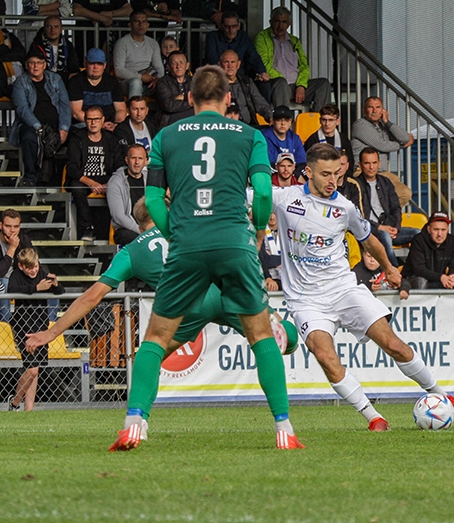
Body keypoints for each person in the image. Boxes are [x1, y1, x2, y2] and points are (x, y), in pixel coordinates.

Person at [111, 64, 300, 451]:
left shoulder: (165, 136)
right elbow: (263, 194)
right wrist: (259, 232)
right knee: (261, 334)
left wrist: (174, 233)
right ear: (229, 98)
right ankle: (284, 429)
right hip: (235, 241)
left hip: (187, 245)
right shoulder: (250, 136)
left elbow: (148, 202)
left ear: (190, 98)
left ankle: (134, 423)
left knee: (155, 340)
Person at [24, 198, 299, 427]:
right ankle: (281, 335)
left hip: (185, 307)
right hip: (221, 292)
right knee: (275, 338)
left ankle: (138, 419)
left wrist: (52, 331)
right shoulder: (188, 228)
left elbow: (91, 297)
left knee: (151, 355)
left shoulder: (131, 252)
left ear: (137, 222)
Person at [270, 143, 454, 431]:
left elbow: (370, 239)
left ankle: (442, 395)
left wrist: (391, 268)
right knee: (325, 356)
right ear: (308, 172)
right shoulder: (283, 198)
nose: (332, 181)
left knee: (394, 345)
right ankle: (373, 417)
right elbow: (243, 195)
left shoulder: (344, 207)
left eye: (337, 174)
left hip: (344, 289)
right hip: (306, 301)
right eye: (325, 174)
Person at [7, 248, 64, 411]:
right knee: (31, 370)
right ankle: (15, 403)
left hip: (40, 327)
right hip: (23, 327)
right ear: (21, 266)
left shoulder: (41, 272)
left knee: (35, 369)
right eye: (29, 268)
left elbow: (61, 292)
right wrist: (35, 288)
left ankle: (28, 409)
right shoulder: (16, 276)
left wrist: (56, 284)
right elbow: (12, 291)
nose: (33, 270)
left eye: (35, 266)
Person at [11, 49, 71, 188]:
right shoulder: (20, 83)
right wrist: (38, 127)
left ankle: (64, 180)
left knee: (78, 136)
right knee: (28, 138)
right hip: (32, 125)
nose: (35, 66)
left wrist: (64, 128)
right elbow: (23, 110)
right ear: (27, 65)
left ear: (45, 65)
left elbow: (64, 105)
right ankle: (31, 177)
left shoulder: (55, 79)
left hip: (56, 124)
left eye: (39, 63)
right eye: (32, 63)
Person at [254, 6, 332, 110]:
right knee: (281, 83)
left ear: (289, 23)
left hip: (295, 86)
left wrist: (301, 85)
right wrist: (284, 81)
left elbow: (304, 66)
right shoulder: (262, 37)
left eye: (284, 22)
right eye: (277, 21)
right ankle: (283, 121)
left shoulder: (294, 41)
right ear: (270, 22)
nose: (280, 25)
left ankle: (321, 123)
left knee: (323, 84)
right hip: (276, 84)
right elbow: (264, 65)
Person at [67, 105, 121, 241]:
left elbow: (119, 166)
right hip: (84, 180)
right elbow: (72, 168)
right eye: (89, 119)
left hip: (107, 179)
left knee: (121, 187)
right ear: (85, 120)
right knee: (76, 188)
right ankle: (87, 228)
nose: (93, 123)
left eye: (96, 119)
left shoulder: (111, 140)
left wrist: (109, 184)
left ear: (103, 120)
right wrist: (92, 183)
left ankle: (119, 227)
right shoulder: (77, 139)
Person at [357, 147, 417, 267]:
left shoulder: (386, 182)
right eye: (367, 163)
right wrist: (380, 227)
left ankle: (411, 269)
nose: (371, 167)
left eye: (374, 163)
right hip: (369, 232)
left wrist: (396, 228)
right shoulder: (355, 185)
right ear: (360, 165)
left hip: (389, 229)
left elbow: (396, 208)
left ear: (379, 164)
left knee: (418, 233)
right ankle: (394, 271)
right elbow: (358, 216)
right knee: (385, 236)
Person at [399, 211, 454, 295]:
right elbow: (419, 269)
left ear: (448, 229)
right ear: (429, 229)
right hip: (414, 279)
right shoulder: (418, 240)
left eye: (443, 230)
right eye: (436, 229)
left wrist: (452, 277)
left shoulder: (452, 241)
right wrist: (441, 277)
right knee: (421, 281)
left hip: (439, 280)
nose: (440, 234)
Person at [204, 10, 268, 85]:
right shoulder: (212, 37)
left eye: (234, 26)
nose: (231, 30)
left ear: (239, 26)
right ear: (221, 26)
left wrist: (262, 72)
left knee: (265, 85)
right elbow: (212, 59)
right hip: (218, 78)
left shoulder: (243, 37)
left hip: (240, 79)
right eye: (227, 27)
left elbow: (253, 56)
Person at [68, 48, 127, 130]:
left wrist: (116, 124)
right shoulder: (76, 81)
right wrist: (99, 125)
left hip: (111, 125)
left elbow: (121, 109)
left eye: (99, 64)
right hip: (85, 125)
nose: (95, 67)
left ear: (105, 65)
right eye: (92, 63)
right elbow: (76, 113)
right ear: (85, 64)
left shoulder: (112, 81)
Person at [351, 95, 413, 167]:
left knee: (396, 179)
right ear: (364, 110)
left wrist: (387, 122)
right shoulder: (360, 125)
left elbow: (405, 138)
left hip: (381, 172)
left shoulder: (383, 126)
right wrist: (402, 146)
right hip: (362, 171)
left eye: (378, 107)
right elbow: (382, 146)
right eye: (370, 107)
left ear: (383, 110)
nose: (374, 111)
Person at [113, 11, 164, 98]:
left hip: (149, 80)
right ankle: (136, 110)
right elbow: (119, 70)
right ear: (130, 24)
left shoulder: (153, 43)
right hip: (127, 82)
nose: (141, 24)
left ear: (148, 25)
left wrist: (158, 79)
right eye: (137, 21)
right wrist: (140, 77)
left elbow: (159, 67)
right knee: (136, 82)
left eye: (144, 22)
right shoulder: (122, 43)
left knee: (165, 85)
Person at [106, 143, 146, 244]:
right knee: (136, 239)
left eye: (140, 158)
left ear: (146, 161)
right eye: (133, 158)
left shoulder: (150, 180)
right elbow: (118, 216)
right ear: (126, 160)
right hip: (126, 230)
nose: (137, 162)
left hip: (148, 227)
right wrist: (140, 230)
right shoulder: (115, 181)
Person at [220, 49, 272, 126]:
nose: (230, 65)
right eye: (226, 62)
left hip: (248, 126)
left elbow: (260, 103)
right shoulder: (214, 85)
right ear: (220, 65)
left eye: (233, 62)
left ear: (238, 64)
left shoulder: (247, 82)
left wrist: (271, 117)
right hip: (225, 128)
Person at [0, 209, 35, 323]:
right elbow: (1, 272)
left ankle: (49, 328)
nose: (12, 230)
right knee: (4, 284)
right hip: (2, 280)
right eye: (8, 226)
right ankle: (5, 327)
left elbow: (32, 263)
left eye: (16, 226)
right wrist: (12, 248)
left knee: (50, 285)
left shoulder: (24, 239)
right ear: (1, 225)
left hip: (19, 278)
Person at [303, 103, 353, 174]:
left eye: (331, 120)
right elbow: (308, 165)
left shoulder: (344, 139)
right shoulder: (313, 140)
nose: (327, 124)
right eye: (324, 120)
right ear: (320, 120)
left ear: (338, 121)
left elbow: (350, 164)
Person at [29, 15, 80, 80]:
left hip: (63, 79)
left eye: (56, 27)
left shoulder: (67, 45)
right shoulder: (37, 45)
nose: (52, 30)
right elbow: (35, 69)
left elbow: (74, 68)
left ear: (61, 29)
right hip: (43, 79)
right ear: (44, 29)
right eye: (49, 27)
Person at [262, 105, 306, 172]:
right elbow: (269, 164)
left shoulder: (295, 139)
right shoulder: (263, 136)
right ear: (273, 121)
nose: (282, 123)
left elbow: (301, 162)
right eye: (278, 120)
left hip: (291, 176)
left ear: (290, 122)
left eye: (286, 120)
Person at [155, 50, 193, 127]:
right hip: (170, 121)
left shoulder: (195, 81)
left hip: (192, 120)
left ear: (187, 65)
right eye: (174, 63)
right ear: (168, 67)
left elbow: (202, 100)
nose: (178, 66)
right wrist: (191, 101)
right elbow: (169, 105)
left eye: (181, 62)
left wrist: (183, 97)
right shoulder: (163, 82)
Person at [259, 212, 281, 291]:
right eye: (269, 214)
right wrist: (281, 261)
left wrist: (271, 258)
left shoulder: (287, 232)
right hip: (268, 278)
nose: (271, 217)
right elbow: (263, 258)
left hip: (286, 279)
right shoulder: (260, 233)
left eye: (274, 213)